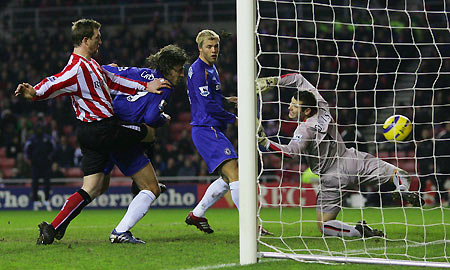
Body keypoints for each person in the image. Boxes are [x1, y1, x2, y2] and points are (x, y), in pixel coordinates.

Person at [14, 19, 170, 245]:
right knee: (148, 130)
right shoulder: (77, 68)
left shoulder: (93, 66)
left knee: (94, 187)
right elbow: (55, 81)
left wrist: (146, 86)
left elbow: (114, 81)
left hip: (90, 134)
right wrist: (35, 92)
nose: (101, 41)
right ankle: (141, 183)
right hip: (103, 129)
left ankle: (53, 228)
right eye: (98, 37)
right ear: (85, 40)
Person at [256, 73, 424, 238]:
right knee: (399, 174)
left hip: (332, 177)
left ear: (307, 110)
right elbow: (299, 78)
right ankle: (402, 188)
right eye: (291, 103)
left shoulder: (304, 129)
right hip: (353, 160)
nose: (289, 107)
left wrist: (264, 141)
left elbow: (289, 153)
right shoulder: (321, 104)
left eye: (294, 105)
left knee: (325, 225)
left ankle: (357, 231)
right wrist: (274, 81)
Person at [185, 30, 271, 235]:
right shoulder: (199, 71)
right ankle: (252, 227)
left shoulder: (210, 68)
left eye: (216, 46)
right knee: (236, 173)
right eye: (209, 46)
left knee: (227, 178)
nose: (214, 50)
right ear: (200, 48)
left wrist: (227, 100)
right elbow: (206, 106)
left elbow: (211, 99)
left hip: (211, 127)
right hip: (206, 128)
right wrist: (235, 119)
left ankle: (197, 214)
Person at [100, 44, 187, 243]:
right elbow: (152, 117)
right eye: (179, 69)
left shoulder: (142, 73)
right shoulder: (165, 86)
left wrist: (108, 65)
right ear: (167, 68)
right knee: (152, 188)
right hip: (122, 135)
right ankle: (120, 231)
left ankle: (56, 225)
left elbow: (107, 70)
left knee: (94, 187)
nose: (182, 74)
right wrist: (164, 118)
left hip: (105, 125)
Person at [24, 122, 56, 211]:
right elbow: (26, 152)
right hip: (35, 165)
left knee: (47, 182)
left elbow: (54, 149)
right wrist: (30, 160)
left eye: (40, 128)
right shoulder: (31, 140)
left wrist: (49, 158)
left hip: (46, 164)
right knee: (35, 183)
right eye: (38, 129)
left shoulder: (47, 138)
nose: (39, 130)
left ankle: (46, 200)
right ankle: (35, 201)